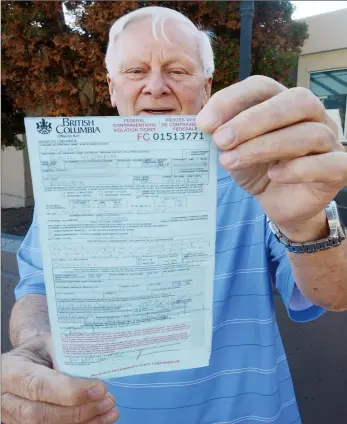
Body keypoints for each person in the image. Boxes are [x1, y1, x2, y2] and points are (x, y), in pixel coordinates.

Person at [2, 6, 347, 424]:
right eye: (135, 71)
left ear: (207, 86)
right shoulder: (71, 185)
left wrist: (305, 221)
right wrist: (36, 346)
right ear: (111, 89)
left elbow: (334, 294)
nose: (155, 87)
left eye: (178, 70)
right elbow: (37, 288)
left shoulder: (261, 177)